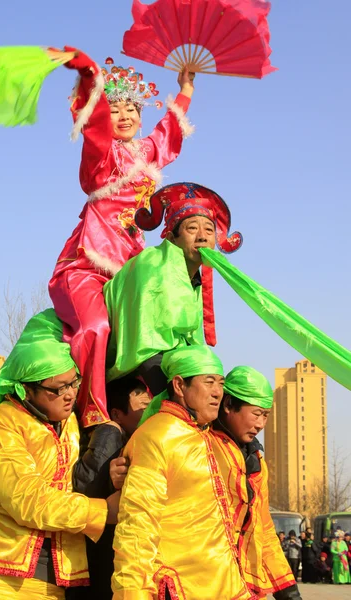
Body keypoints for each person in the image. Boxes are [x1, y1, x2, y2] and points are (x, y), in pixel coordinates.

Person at [49, 48, 195, 427]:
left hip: (129, 265)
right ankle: (90, 413)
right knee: (97, 327)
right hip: (88, 264)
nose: (125, 115)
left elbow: (169, 133)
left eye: (132, 108)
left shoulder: (146, 152)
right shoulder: (103, 157)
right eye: (115, 109)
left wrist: (186, 88)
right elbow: (94, 130)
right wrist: (87, 76)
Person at [0, 309, 120, 599]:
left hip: (51, 582)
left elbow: (74, 481)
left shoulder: (67, 424)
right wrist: (104, 511)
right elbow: (29, 501)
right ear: (26, 391)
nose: (70, 393)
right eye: (58, 388)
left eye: (73, 382)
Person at [112, 345, 254, 600]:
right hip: (181, 587)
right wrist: (131, 593)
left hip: (228, 587)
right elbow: (137, 526)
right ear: (179, 386)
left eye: (221, 384)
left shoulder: (213, 439)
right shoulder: (157, 436)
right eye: (208, 382)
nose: (217, 393)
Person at [104, 181, 242, 393]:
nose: (203, 237)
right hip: (134, 357)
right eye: (192, 228)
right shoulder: (151, 264)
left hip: (163, 362)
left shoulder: (192, 279)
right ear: (171, 237)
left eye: (209, 230)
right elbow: (147, 342)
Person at [211, 366, 301, 599]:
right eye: (256, 413)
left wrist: (288, 592)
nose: (261, 424)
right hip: (203, 582)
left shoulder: (257, 461)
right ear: (228, 405)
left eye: (266, 415)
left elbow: (264, 529)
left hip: (243, 586)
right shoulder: (200, 447)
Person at [70, 376, 151, 600]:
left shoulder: (130, 437)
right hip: (102, 553)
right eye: (143, 407)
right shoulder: (110, 433)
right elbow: (87, 485)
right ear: (116, 414)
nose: (148, 413)